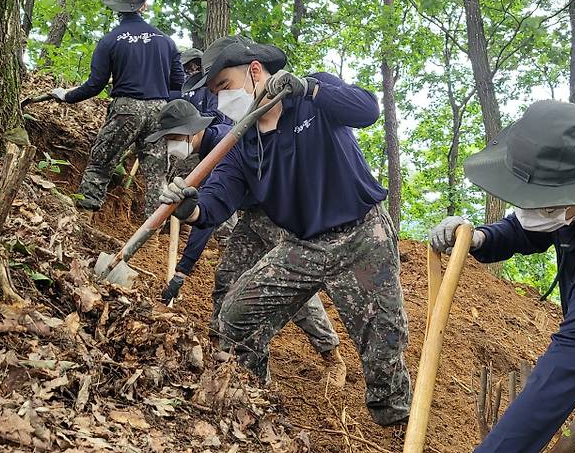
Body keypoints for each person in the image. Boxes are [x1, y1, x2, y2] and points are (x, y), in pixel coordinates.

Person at [159, 35, 411, 426]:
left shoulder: (311, 96)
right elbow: (216, 201)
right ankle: (257, 405)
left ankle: (395, 423)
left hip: (362, 237)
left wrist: (311, 88)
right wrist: (189, 208)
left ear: (255, 72)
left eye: (223, 87)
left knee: (383, 347)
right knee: (237, 316)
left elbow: (367, 109)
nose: (221, 100)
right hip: (301, 246)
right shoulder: (241, 145)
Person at [429, 100, 575, 452]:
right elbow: (532, 228)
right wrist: (483, 238)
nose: (530, 213)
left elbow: (555, 385)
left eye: (544, 206)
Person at [147, 98, 347, 388]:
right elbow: (208, 210)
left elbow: (210, 218)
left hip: (280, 213)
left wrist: (183, 268)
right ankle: (221, 348)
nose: (170, 145)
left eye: (172, 138)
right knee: (227, 275)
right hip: (254, 215)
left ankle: (331, 355)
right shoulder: (206, 151)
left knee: (294, 288)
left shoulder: (223, 148)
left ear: (190, 130)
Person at [50, 0, 184, 217]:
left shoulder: (110, 40)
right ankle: (149, 234)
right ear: (142, 5)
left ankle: (84, 218)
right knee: (156, 175)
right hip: (160, 111)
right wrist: (162, 107)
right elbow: (178, 84)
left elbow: (95, 85)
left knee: (101, 163)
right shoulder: (166, 41)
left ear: (116, 8)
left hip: (126, 109)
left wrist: (67, 96)